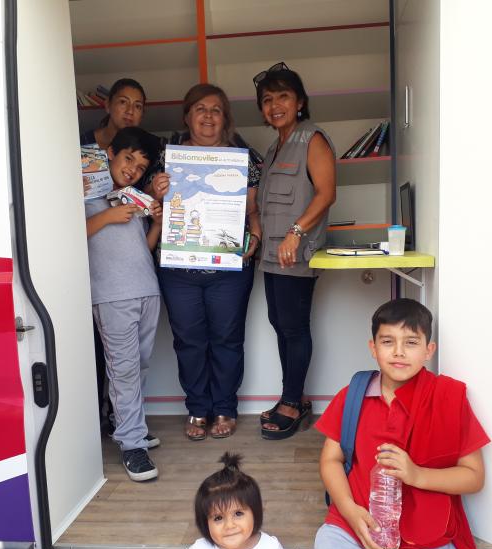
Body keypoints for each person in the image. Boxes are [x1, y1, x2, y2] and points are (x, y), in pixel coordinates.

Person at [308, 299, 490, 549]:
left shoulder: (447, 398)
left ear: (428, 351)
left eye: (411, 342)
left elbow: (473, 477)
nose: (399, 352)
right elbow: (331, 459)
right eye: (388, 341)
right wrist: (350, 512)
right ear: (373, 347)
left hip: (424, 546)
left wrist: (417, 475)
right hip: (351, 534)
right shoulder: (353, 396)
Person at [154, 84, 263, 441]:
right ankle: (198, 408)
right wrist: (157, 189)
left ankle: (224, 408)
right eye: (200, 109)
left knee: (227, 339)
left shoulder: (243, 158)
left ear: (225, 119)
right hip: (178, 271)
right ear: (187, 116)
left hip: (229, 269)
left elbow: (252, 212)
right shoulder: (165, 159)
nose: (208, 116)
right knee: (188, 341)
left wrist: (256, 238)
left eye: (216, 110)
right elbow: (149, 207)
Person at [253, 63, 337, 440]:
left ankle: (291, 403)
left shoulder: (312, 138)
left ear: (300, 102)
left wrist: (296, 232)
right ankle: (294, 397)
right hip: (271, 255)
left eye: (283, 96)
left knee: (294, 327)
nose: (275, 105)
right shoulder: (274, 148)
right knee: (280, 325)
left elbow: (326, 193)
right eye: (267, 100)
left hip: (294, 252)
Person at [84, 127, 164, 482]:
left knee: (139, 365)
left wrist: (157, 224)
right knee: (124, 369)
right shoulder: (86, 193)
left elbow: (141, 248)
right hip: (111, 296)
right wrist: (106, 217)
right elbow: (66, 232)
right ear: (110, 154)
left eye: (140, 165)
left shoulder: (131, 198)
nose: (132, 168)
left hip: (147, 290)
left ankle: (127, 424)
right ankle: (133, 445)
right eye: (128, 158)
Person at [180, 452, 294, 549]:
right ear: (204, 521)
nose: (229, 525)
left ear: (256, 512)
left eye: (238, 514)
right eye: (218, 518)